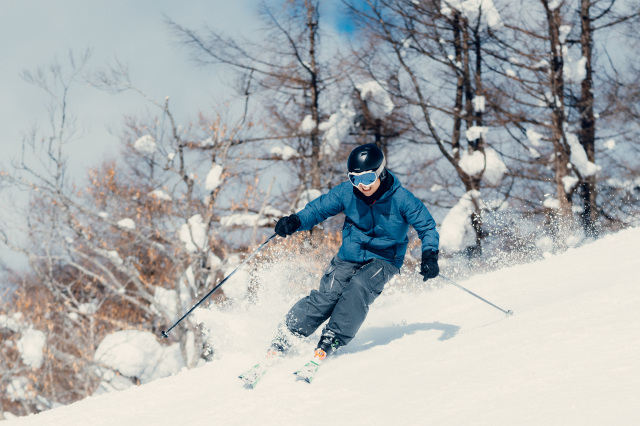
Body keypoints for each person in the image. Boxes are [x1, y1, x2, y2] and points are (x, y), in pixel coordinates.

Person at [271, 143, 439, 362]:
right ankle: (289, 332)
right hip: (350, 254)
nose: (362, 185)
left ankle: (333, 336)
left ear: (380, 171)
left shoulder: (402, 199)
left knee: (359, 287)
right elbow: (318, 209)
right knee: (327, 297)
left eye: (368, 178)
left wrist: (430, 256)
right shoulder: (346, 193)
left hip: (385, 259)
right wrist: (295, 221)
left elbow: (427, 227)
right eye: (355, 179)